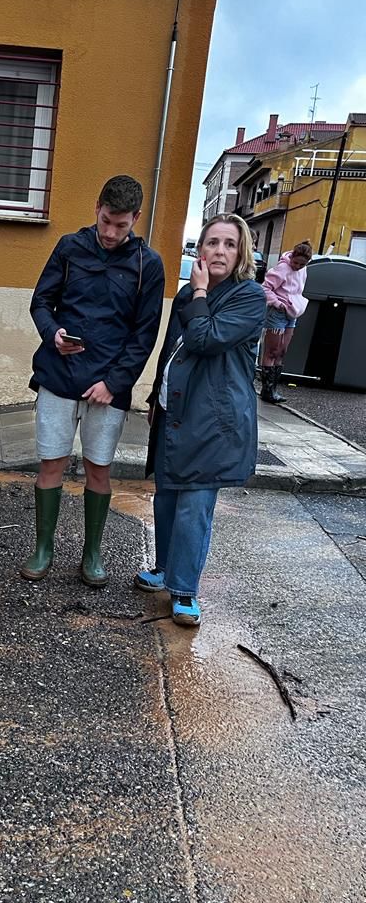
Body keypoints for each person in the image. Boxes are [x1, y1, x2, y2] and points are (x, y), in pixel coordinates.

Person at [21, 175, 165, 587]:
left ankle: (92, 553)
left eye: (121, 225)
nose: (111, 232)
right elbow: (41, 302)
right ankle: (43, 548)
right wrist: (53, 334)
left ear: (135, 218)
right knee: (51, 464)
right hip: (58, 377)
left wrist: (115, 383)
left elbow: (145, 333)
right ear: (96, 208)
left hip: (108, 388)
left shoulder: (148, 264)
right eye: (106, 221)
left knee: (98, 470)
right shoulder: (69, 247)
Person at [134, 213, 266, 626]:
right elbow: (172, 347)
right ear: (201, 249)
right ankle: (166, 569)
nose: (220, 251)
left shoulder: (250, 298)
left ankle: (185, 589)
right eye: (212, 243)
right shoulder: (189, 294)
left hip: (214, 419)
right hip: (175, 411)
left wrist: (202, 292)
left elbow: (204, 339)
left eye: (229, 243)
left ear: (241, 251)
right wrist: (156, 394)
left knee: (194, 504)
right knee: (167, 496)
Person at [259, 240, 312, 404]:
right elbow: (265, 287)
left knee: (282, 351)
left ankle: (272, 389)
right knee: (272, 351)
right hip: (278, 312)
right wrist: (277, 303)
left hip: (291, 313)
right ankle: (267, 390)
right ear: (292, 257)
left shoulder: (303, 270)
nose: (297, 266)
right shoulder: (282, 268)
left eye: (301, 264)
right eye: (295, 262)